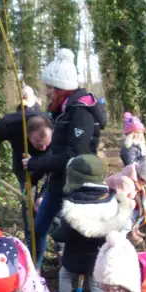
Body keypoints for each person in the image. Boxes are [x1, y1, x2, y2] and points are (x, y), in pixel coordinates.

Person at [24, 49, 107, 268]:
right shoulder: (64, 109)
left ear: (61, 89)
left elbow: (74, 155)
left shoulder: (80, 113)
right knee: (38, 228)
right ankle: (34, 272)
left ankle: (77, 276)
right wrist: (37, 170)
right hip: (58, 181)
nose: (48, 92)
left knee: (75, 233)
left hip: (76, 185)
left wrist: (38, 163)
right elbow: (57, 149)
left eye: (51, 88)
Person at [50, 155, 133, 292]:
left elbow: (62, 234)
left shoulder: (72, 204)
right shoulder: (111, 201)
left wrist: (55, 233)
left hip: (74, 255)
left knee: (65, 274)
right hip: (99, 255)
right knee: (96, 281)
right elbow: (124, 226)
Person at [0, 109, 52, 241]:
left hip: (50, 162)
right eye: (39, 144)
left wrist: (43, 194)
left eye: (46, 143)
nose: (43, 147)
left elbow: (56, 169)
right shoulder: (10, 125)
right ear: (27, 135)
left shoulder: (55, 127)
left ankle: (58, 244)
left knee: (48, 200)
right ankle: (31, 240)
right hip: (24, 163)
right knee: (29, 201)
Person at [106, 153, 146, 245]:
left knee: (143, 210)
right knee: (128, 220)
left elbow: (139, 195)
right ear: (142, 178)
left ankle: (133, 230)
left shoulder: (136, 178)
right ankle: (118, 240)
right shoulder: (125, 182)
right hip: (111, 204)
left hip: (123, 202)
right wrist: (135, 203)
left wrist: (145, 205)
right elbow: (120, 202)